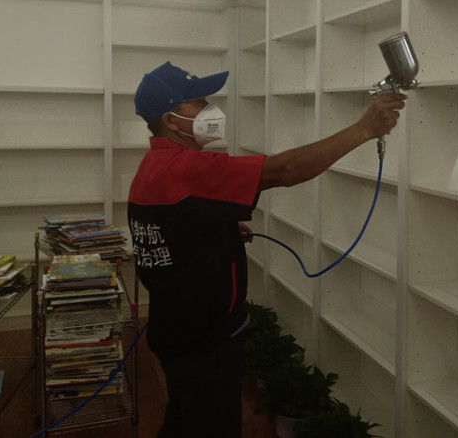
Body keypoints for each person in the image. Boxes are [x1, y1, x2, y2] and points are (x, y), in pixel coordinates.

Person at [128, 60, 406, 438]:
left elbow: (171, 223)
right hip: (202, 336)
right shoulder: (185, 167)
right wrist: (364, 129)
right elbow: (284, 171)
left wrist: (218, 230)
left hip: (177, 325)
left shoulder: (156, 164)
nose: (210, 109)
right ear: (171, 121)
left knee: (185, 419)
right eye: (198, 102)